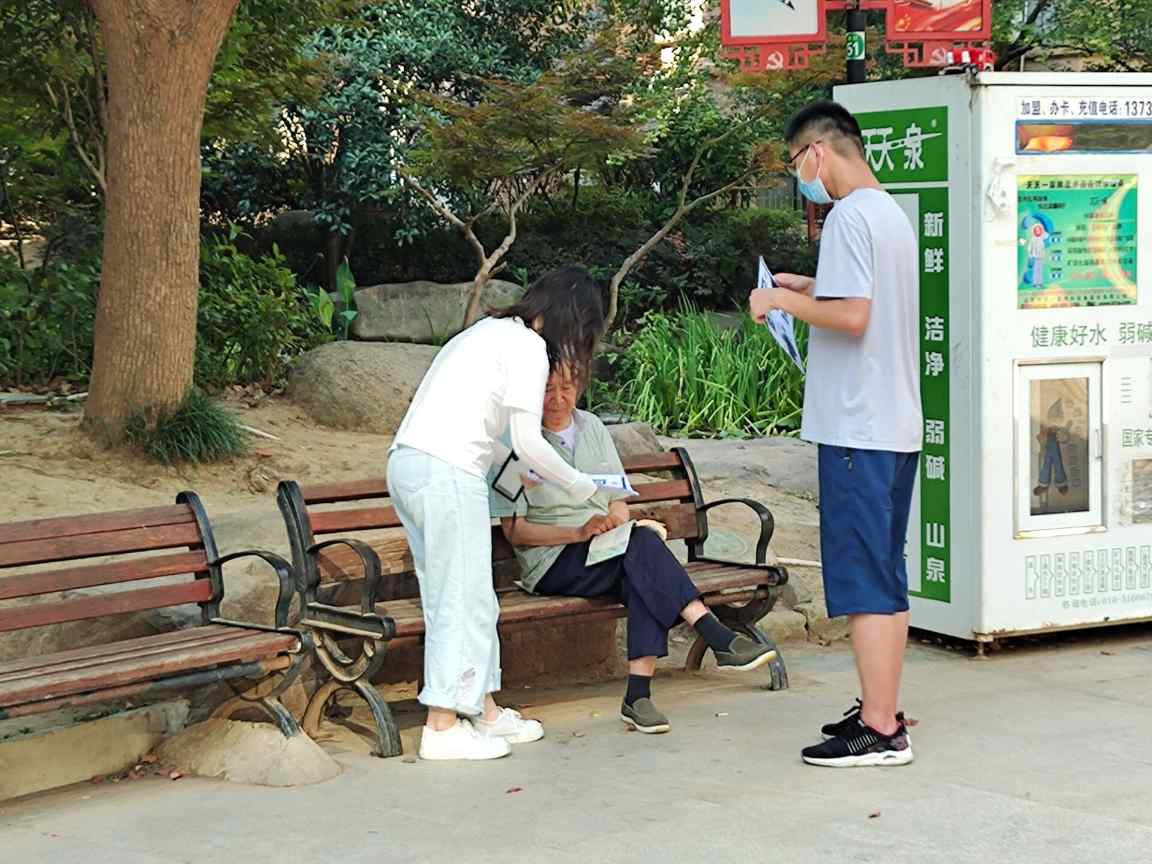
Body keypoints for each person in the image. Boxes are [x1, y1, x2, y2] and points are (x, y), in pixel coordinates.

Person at [749, 101, 921, 767]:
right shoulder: (889, 212)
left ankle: (879, 729)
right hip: (892, 423)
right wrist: (808, 286)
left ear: (817, 153)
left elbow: (852, 316)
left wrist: (777, 300)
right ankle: (883, 709)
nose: (801, 178)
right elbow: (857, 297)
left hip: (858, 427)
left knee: (864, 578)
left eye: (796, 163)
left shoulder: (848, 215)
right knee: (884, 571)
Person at [388, 265, 606, 761]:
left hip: (414, 465)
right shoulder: (528, 347)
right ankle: (442, 726)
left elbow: (494, 436)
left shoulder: (488, 332)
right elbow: (528, 442)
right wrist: (580, 483)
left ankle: (483, 710)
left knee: (467, 595)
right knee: (460, 598)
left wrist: (518, 474)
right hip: (448, 472)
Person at [491, 365, 778, 735]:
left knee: (639, 571)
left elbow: (618, 498)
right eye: (547, 389)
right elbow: (515, 532)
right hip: (553, 560)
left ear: (580, 386)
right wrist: (579, 532)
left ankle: (638, 698)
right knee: (642, 550)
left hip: (607, 547)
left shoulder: (593, 427)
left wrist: (614, 520)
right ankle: (714, 634)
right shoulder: (514, 442)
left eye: (567, 387)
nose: (558, 399)